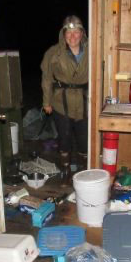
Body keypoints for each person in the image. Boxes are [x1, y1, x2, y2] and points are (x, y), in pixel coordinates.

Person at [41, 15, 89, 185]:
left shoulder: (92, 50)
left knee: (84, 138)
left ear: (82, 33)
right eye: (68, 33)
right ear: (63, 34)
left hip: (85, 101)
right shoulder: (54, 53)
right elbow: (47, 78)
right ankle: (66, 170)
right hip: (61, 101)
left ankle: (84, 169)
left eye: (76, 32)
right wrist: (46, 102)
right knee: (65, 137)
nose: (72, 37)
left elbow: (100, 74)